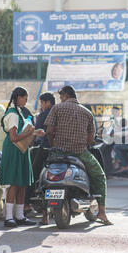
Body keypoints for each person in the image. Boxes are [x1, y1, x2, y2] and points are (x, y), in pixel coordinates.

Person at [45, 85, 112, 225]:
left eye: (61, 97)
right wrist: (83, 145)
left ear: (65, 96)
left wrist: (54, 146)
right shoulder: (87, 112)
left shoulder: (56, 108)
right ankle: (102, 212)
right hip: (80, 153)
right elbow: (90, 138)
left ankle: (44, 215)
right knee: (99, 176)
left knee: (41, 172)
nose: (60, 99)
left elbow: (49, 131)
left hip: (58, 152)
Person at [0, 87, 45, 228]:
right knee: (14, 183)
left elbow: (21, 133)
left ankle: (19, 215)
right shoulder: (13, 114)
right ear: (18, 97)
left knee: (22, 183)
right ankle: (9, 217)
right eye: (25, 98)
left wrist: (35, 132)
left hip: (21, 150)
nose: (26, 101)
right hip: (14, 149)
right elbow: (14, 137)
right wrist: (31, 132)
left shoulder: (18, 112)